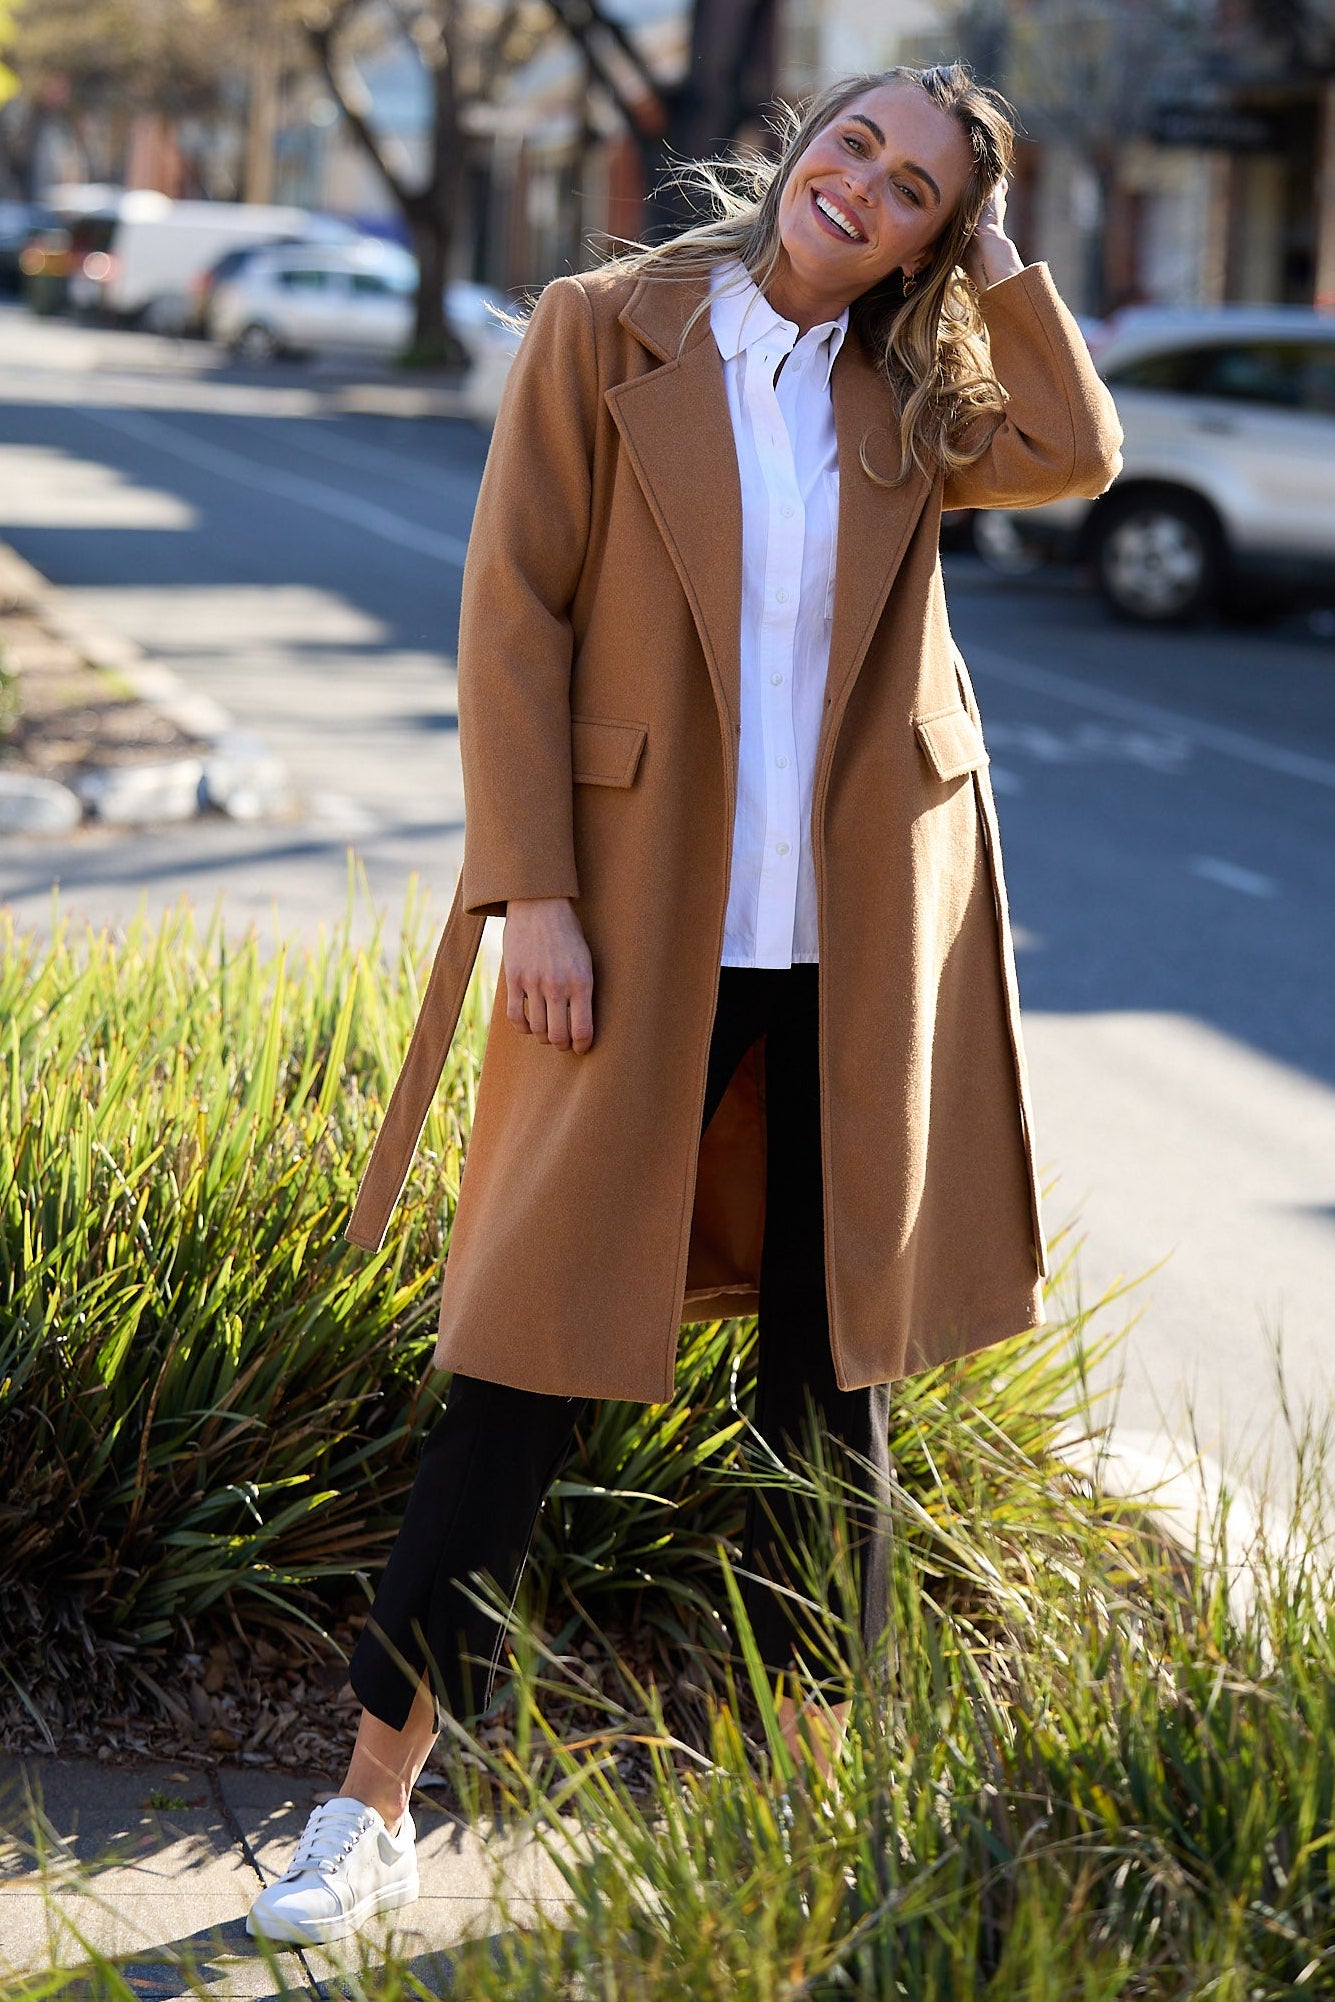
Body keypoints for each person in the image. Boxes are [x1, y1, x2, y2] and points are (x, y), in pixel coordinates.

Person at [247, 60, 1123, 1945]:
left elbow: (1074, 450)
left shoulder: (921, 386)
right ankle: (367, 1802)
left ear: (936, 237)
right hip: (639, 923)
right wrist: (533, 892)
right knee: (521, 1367)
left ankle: (812, 1815)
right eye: (854, 148)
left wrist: (1002, 261)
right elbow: (513, 614)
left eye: (913, 194)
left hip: (860, 942)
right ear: (803, 140)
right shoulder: (604, 328)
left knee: (836, 1396)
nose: (862, 192)